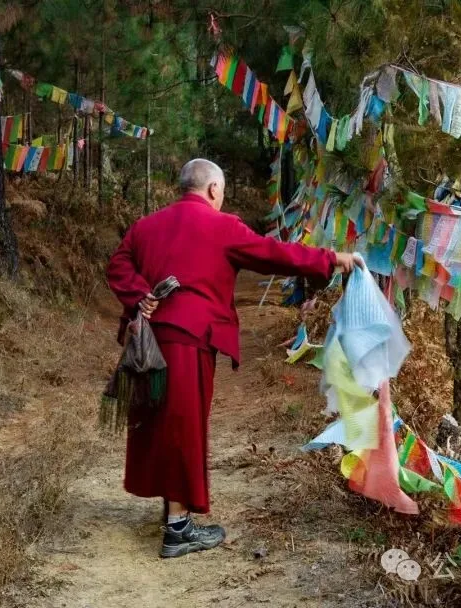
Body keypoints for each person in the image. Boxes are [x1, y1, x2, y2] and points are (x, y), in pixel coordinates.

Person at [106, 158, 362, 559]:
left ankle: (173, 511)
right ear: (212, 189)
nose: (221, 198)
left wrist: (142, 295)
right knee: (183, 429)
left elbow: (117, 264)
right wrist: (330, 259)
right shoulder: (221, 225)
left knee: (159, 424)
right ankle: (178, 530)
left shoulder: (146, 226)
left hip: (146, 344)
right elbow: (272, 253)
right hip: (188, 341)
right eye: (221, 191)